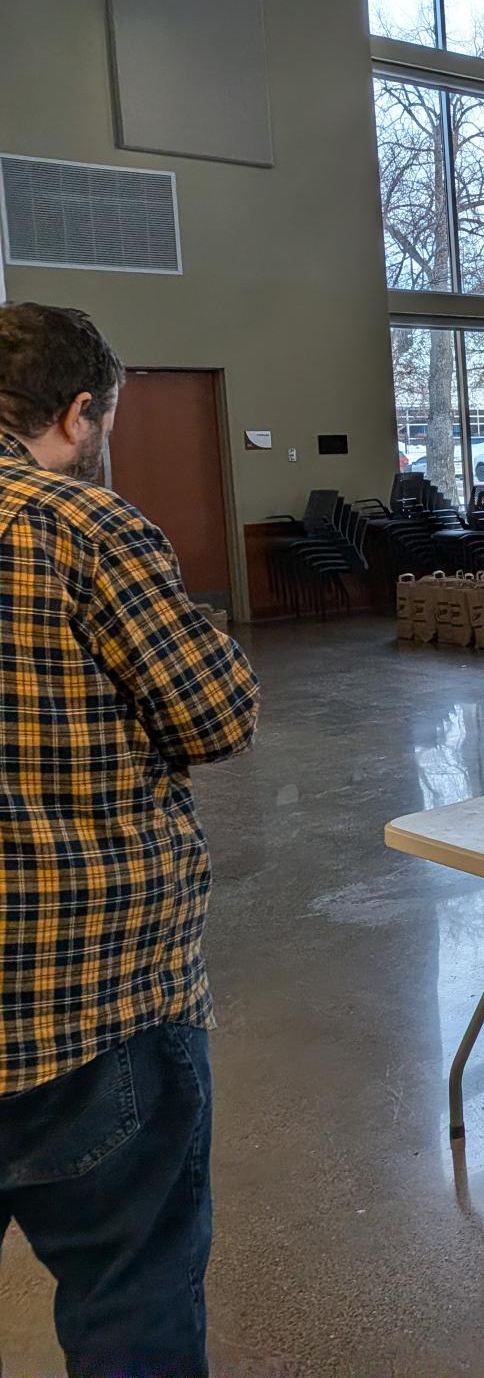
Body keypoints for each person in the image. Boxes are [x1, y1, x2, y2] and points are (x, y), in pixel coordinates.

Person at [0, 303, 258, 1375]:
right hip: (85, 1002)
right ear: (77, 413)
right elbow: (217, 716)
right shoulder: (79, 527)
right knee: (130, 1298)